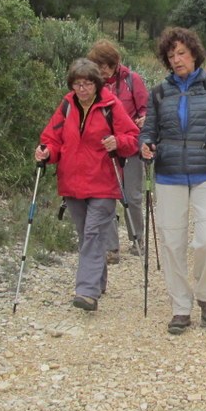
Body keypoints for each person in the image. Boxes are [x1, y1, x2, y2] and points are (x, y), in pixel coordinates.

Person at [140, 27, 206, 334]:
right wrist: (144, 144)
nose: (176, 59)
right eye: (171, 55)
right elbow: (149, 130)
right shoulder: (159, 92)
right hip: (169, 173)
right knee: (172, 243)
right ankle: (180, 307)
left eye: (182, 53)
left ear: (195, 53)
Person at [36, 58, 140, 311]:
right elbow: (52, 138)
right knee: (86, 236)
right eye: (77, 84)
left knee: (93, 235)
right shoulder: (67, 106)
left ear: (97, 84)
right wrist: (46, 152)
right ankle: (98, 281)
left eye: (87, 84)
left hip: (103, 182)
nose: (82, 89)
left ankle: (86, 291)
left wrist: (118, 142)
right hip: (72, 182)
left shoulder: (110, 106)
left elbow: (132, 138)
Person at [88, 39, 149, 258]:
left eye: (106, 64)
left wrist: (143, 119)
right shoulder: (93, 85)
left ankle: (137, 238)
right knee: (107, 197)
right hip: (103, 150)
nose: (103, 69)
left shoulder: (133, 80)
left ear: (115, 62)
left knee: (132, 196)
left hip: (130, 147)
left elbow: (146, 109)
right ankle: (111, 247)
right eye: (98, 64)